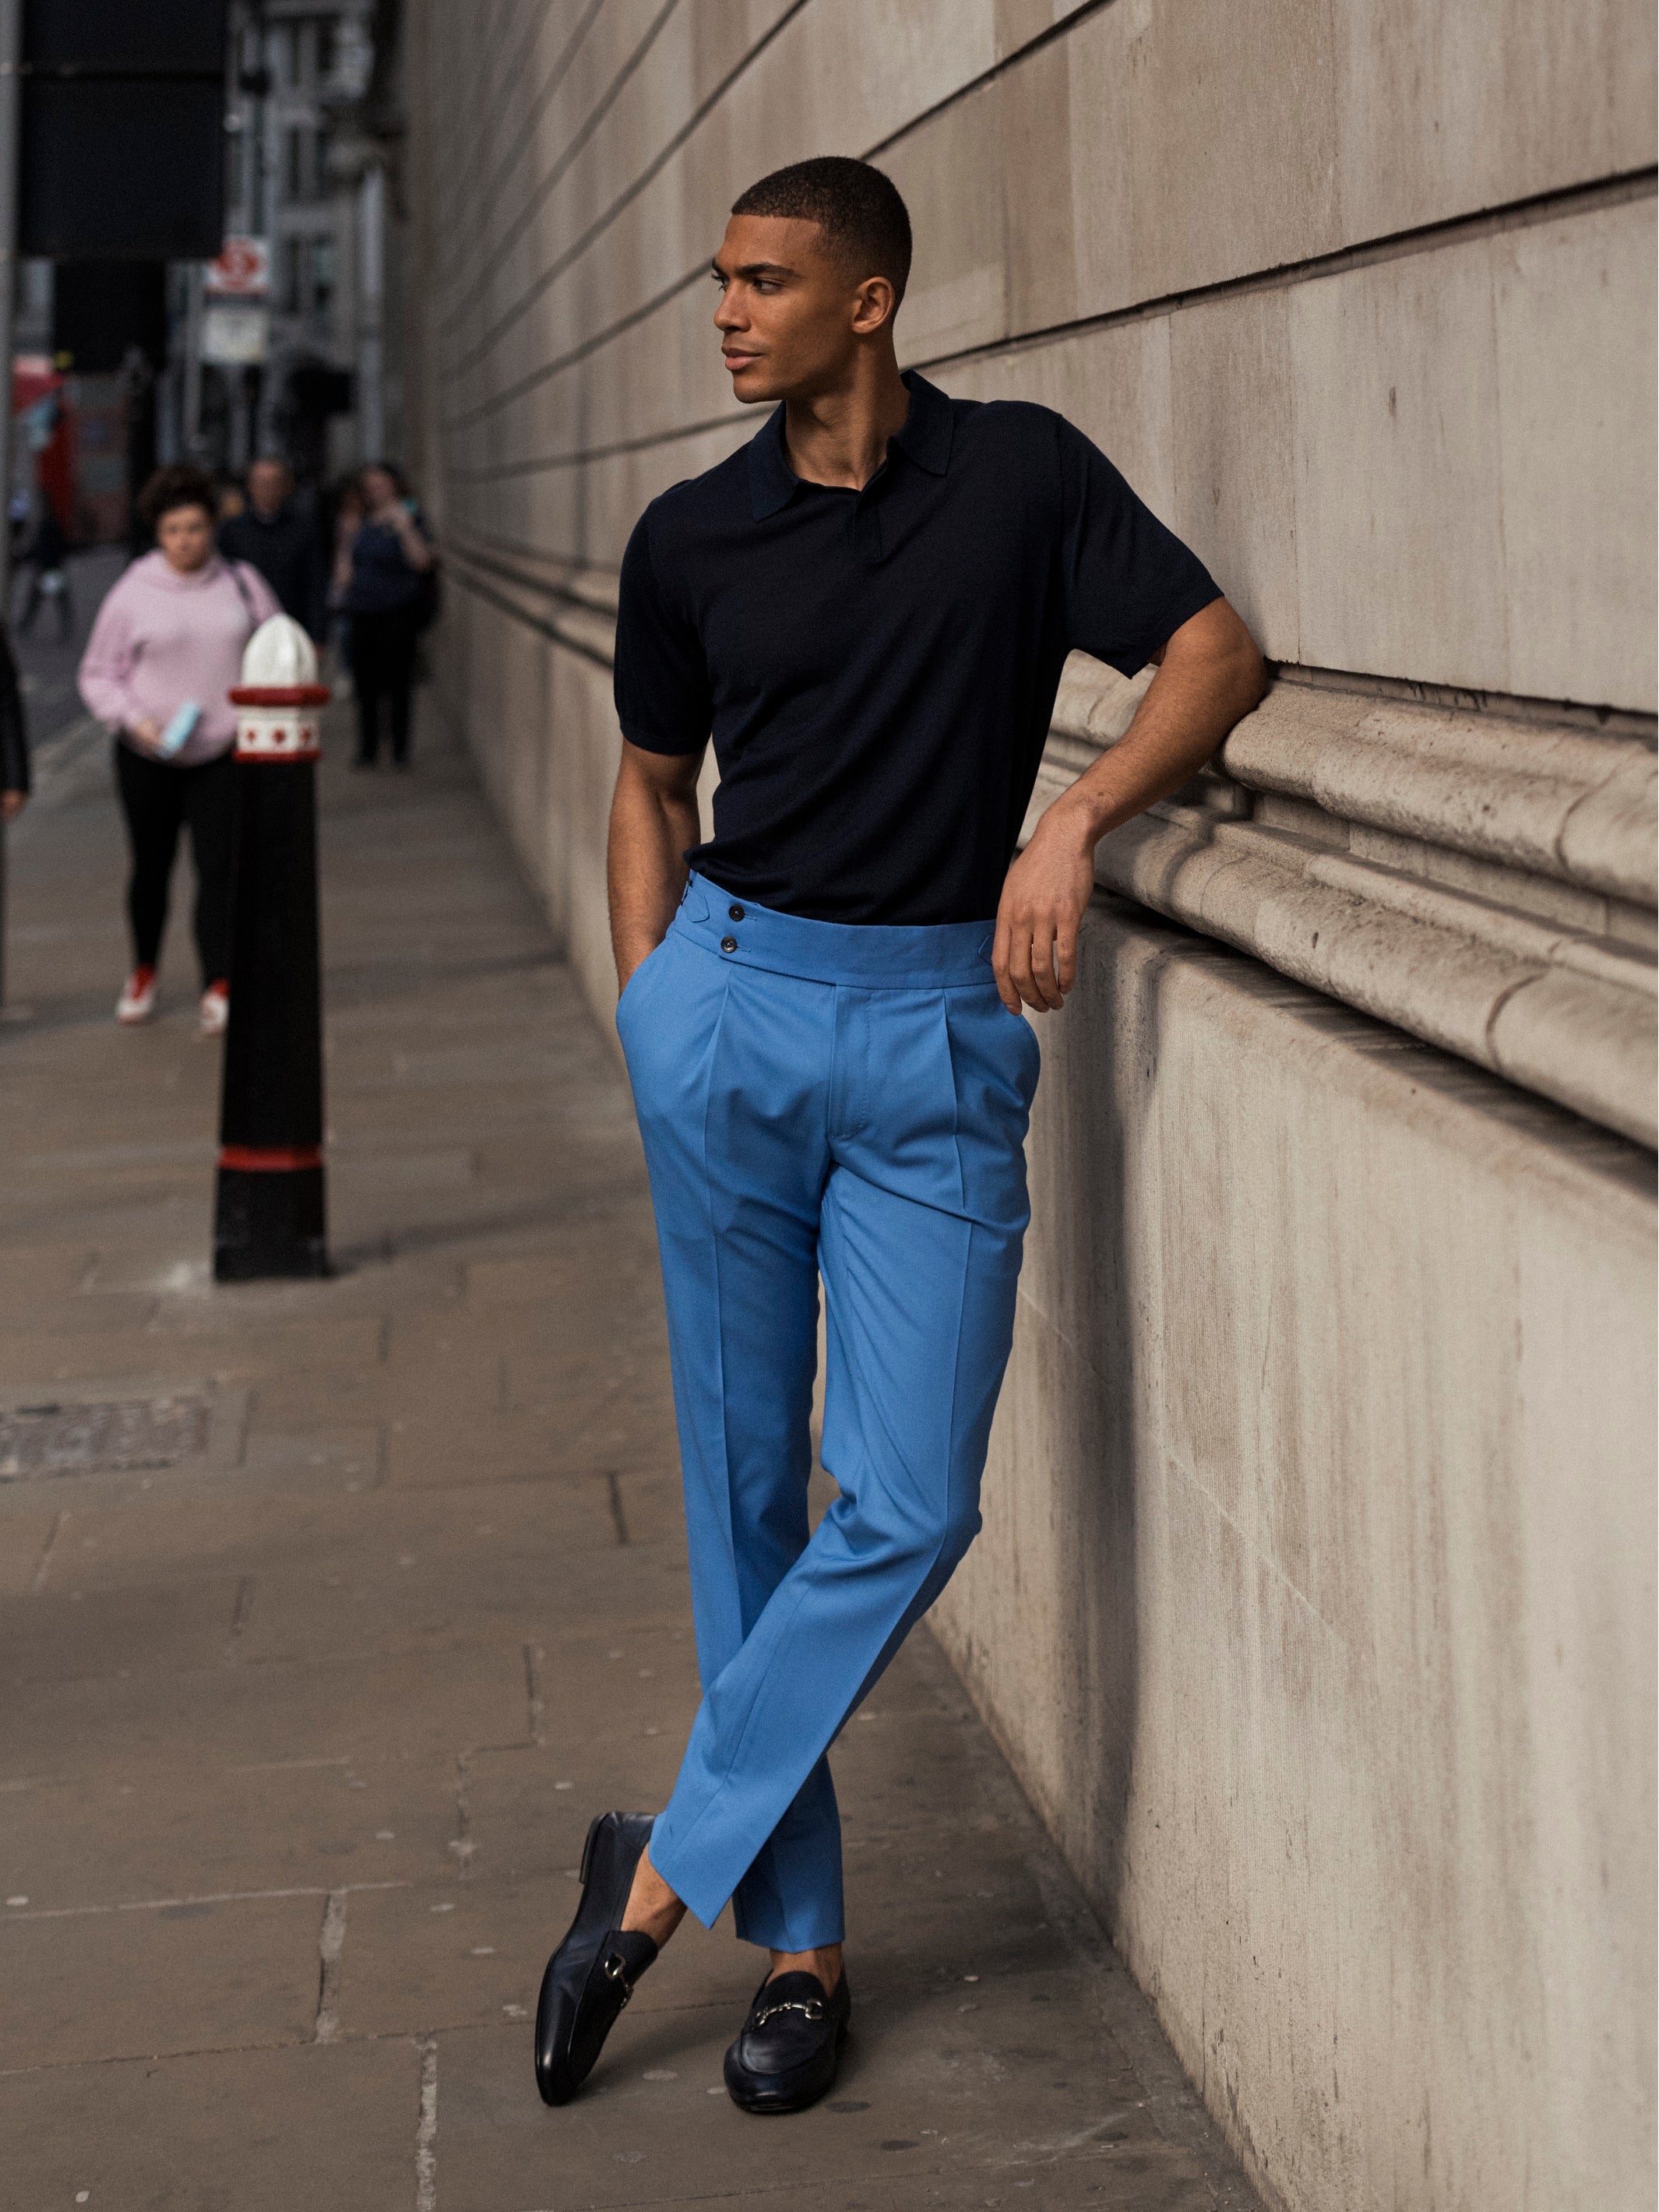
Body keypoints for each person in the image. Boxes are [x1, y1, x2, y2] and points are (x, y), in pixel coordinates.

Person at [534, 159, 1267, 2115]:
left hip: (942, 1026)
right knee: (740, 1488)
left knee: (912, 1495)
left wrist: (1072, 813)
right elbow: (648, 780)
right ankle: (802, 1946)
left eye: (764, 281)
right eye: (720, 281)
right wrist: (649, 1000)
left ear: (869, 301)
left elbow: (1212, 651)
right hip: (736, 1010)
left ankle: (659, 1865)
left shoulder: (1019, 476)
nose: (726, 313)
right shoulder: (693, 534)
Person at [78, 463, 278, 1033]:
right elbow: (97, 674)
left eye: (194, 527)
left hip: (223, 751)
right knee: (151, 868)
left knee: (220, 870)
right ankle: (143, 970)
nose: (185, 540)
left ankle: (219, 980)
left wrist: (254, 714)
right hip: (149, 756)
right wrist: (133, 720)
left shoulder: (243, 584)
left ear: (212, 527)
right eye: (173, 530)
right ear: (158, 534)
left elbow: (275, 652)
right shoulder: (132, 593)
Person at [335, 462, 433, 768]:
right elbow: (343, 577)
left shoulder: (410, 513)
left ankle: (401, 749)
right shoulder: (358, 522)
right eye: (370, 486)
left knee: (399, 683)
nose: (376, 491)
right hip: (363, 612)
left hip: (398, 612)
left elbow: (422, 562)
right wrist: (346, 540)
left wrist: (405, 527)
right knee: (365, 683)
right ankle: (368, 748)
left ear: (394, 484)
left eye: (382, 484)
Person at [218, 456, 325, 637]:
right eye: (261, 482)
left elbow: (315, 584)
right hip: (244, 625)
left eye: (274, 482)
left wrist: (317, 634)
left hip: (292, 624)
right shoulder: (232, 530)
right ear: (250, 486)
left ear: (285, 487)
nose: (267, 489)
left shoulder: (304, 528)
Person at [16, 499, 72, 642]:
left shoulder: (47, 525)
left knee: (41, 599)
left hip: (48, 569)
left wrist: (26, 558)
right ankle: (64, 628)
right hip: (51, 568)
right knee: (52, 600)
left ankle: (25, 626)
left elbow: (42, 548)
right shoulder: (50, 523)